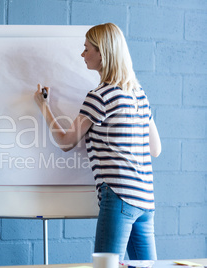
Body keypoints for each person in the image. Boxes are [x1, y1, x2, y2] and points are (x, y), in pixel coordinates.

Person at [34, 23, 161, 260]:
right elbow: (156, 149)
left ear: (102, 53)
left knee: (106, 265)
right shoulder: (138, 93)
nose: (82, 54)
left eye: (86, 49)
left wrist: (44, 107)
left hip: (120, 195)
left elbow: (65, 142)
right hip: (145, 198)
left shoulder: (100, 96)